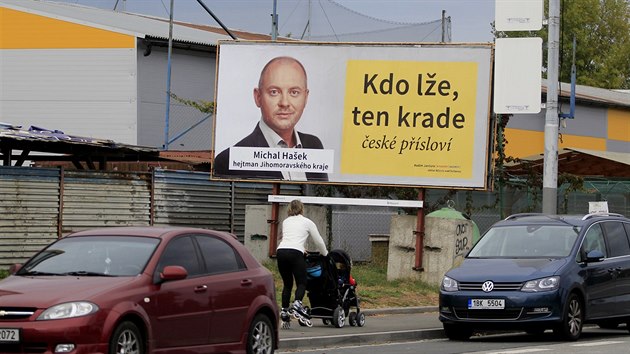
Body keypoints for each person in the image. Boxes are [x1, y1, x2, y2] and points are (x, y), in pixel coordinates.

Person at [213, 56, 328, 181]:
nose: (284, 103)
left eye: (294, 92)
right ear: (258, 97)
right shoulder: (230, 160)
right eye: (274, 92)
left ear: (305, 98)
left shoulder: (314, 146)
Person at [276, 199, 328, 328]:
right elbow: (319, 241)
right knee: (302, 282)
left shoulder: (286, 221)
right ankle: (297, 304)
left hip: (281, 251)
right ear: (302, 209)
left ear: (289, 209)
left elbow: (290, 238)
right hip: (295, 253)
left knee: (287, 284)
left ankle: (284, 311)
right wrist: (325, 253)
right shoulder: (307, 222)